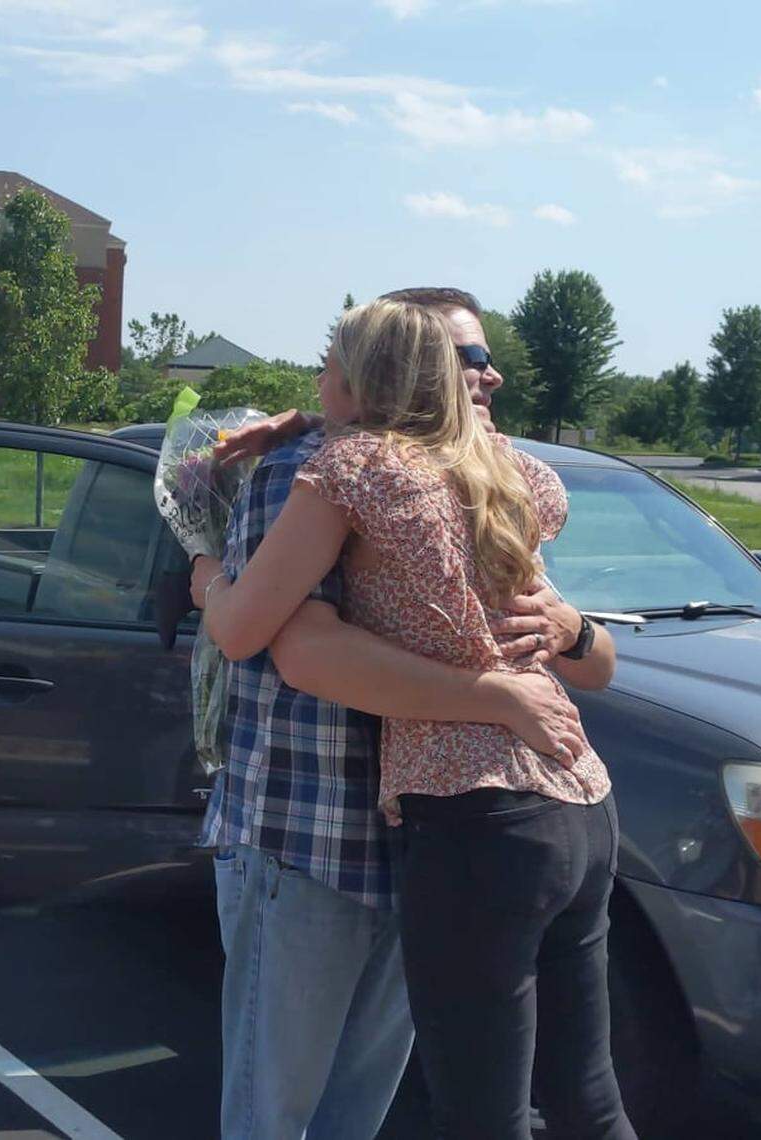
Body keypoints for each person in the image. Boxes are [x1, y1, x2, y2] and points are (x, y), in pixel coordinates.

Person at [196, 298, 634, 1139]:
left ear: (363, 379)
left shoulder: (345, 468)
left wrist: (208, 577)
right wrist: (308, 416)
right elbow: (591, 652)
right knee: (586, 1099)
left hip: (460, 823)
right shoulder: (508, 474)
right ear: (434, 371)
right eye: (468, 359)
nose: (486, 376)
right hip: (574, 803)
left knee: (473, 1114)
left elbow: (263, 638)